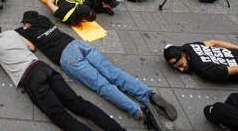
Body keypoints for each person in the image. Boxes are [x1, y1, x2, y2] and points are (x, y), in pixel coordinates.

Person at [16, 11, 176, 126]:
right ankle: (149, 95)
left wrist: (22, 30)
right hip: (76, 44)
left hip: (67, 57)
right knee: (114, 73)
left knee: (102, 85)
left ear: (27, 23)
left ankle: (140, 113)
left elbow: (27, 44)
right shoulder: (45, 21)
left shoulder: (28, 30)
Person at [0, 19, 126, 131]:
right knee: (79, 104)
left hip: (31, 78)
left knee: (60, 116)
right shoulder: (12, 33)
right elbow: (32, 47)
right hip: (43, 67)